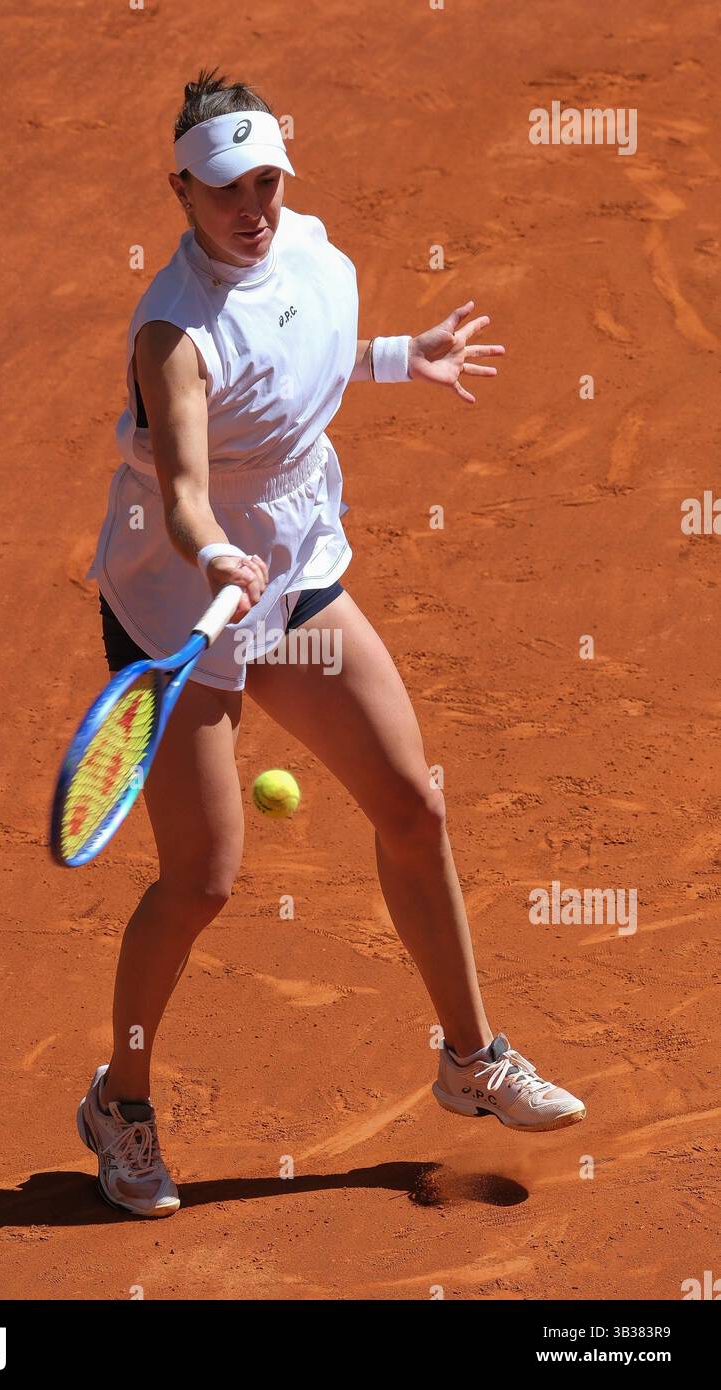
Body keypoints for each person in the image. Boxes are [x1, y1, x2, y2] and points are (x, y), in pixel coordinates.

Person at [76, 66, 585, 1219]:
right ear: (180, 193)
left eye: (263, 180)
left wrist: (404, 356)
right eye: (222, 191)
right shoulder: (172, 332)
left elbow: (302, 359)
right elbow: (192, 485)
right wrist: (209, 558)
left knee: (412, 804)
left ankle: (470, 1059)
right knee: (202, 879)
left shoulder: (307, 248)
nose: (249, 206)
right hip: (181, 604)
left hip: (294, 579)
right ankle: (122, 1103)